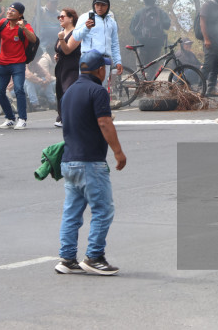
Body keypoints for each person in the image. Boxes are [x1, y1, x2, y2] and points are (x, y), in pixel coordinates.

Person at [56, 50, 127, 276]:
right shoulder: (97, 91)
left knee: (72, 212)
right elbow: (104, 123)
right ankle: (94, 257)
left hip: (69, 161)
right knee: (103, 210)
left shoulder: (69, 92)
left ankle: (67, 259)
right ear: (100, 69)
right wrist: (118, 152)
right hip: (90, 162)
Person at [0, 2, 37, 130]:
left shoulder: (25, 26)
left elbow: (33, 39)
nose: (9, 12)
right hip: (3, 63)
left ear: (20, 14)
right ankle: (10, 118)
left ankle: (22, 119)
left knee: (18, 89)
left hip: (18, 64)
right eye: (9, 9)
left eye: (13, 11)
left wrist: (24, 28)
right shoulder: (3, 23)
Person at [72, 0, 123, 87]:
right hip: (88, 59)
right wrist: (86, 28)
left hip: (104, 60)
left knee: (100, 87)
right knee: (86, 88)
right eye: (97, 4)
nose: (100, 8)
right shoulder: (85, 17)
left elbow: (114, 43)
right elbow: (76, 36)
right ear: (94, 5)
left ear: (108, 6)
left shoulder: (112, 22)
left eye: (103, 5)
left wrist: (118, 61)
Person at [129, 0, 171, 79]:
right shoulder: (160, 12)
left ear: (144, 1)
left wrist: (138, 36)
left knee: (140, 66)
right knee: (153, 66)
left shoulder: (139, 13)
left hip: (141, 43)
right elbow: (167, 25)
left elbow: (132, 29)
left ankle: (140, 83)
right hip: (156, 43)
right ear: (154, 1)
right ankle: (149, 83)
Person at [54, 8, 81, 128]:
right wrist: (57, 55)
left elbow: (67, 50)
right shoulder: (62, 31)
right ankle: (61, 116)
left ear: (71, 18)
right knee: (60, 91)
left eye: (62, 16)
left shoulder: (76, 33)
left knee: (68, 91)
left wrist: (61, 39)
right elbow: (59, 50)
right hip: (61, 66)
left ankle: (70, 116)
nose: (60, 19)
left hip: (72, 67)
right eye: (59, 17)